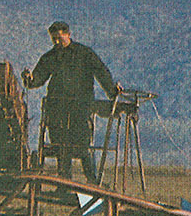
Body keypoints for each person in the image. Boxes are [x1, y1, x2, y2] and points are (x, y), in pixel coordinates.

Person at [21, 21, 121, 183]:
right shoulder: (50, 57)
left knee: (83, 146)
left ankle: (93, 182)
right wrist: (30, 80)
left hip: (80, 108)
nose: (57, 42)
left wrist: (112, 90)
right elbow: (38, 78)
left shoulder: (84, 54)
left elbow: (101, 72)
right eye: (54, 39)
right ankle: (64, 185)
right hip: (57, 109)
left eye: (59, 38)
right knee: (60, 147)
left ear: (68, 34)